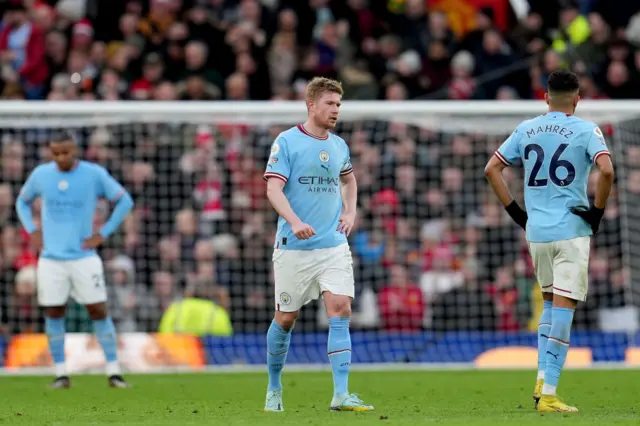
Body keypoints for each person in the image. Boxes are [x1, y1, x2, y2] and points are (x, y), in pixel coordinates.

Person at [485, 69, 614, 412]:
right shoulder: (586, 130)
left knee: (548, 304)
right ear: (577, 98)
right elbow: (608, 170)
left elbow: (491, 169)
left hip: (537, 232)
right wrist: (597, 212)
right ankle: (551, 392)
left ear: (546, 97)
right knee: (564, 308)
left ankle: (542, 382)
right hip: (571, 230)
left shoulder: (526, 129)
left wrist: (516, 212)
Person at [262, 77, 373, 412]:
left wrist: (350, 213)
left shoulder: (339, 145)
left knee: (340, 307)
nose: (336, 110)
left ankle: (340, 394)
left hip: (333, 245)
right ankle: (274, 386)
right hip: (293, 247)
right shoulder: (287, 141)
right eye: (330, 104)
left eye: (339, 104)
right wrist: (295, 223)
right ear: (311, 105)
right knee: (286, 317)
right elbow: (272, 189)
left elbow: (349, 180)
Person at [15, 132, 135, 389]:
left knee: (98, 310)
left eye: (65, 152)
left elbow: (124, 200)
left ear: (75, 150)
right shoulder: (41, 175)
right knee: (54, 312)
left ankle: (114, 372)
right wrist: (32, 230)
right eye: (56, 152)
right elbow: (22, 202)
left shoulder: (93, 174)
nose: (61, 157)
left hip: (84, 257)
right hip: (51, 259)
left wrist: (102, 234)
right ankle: (61, 374)